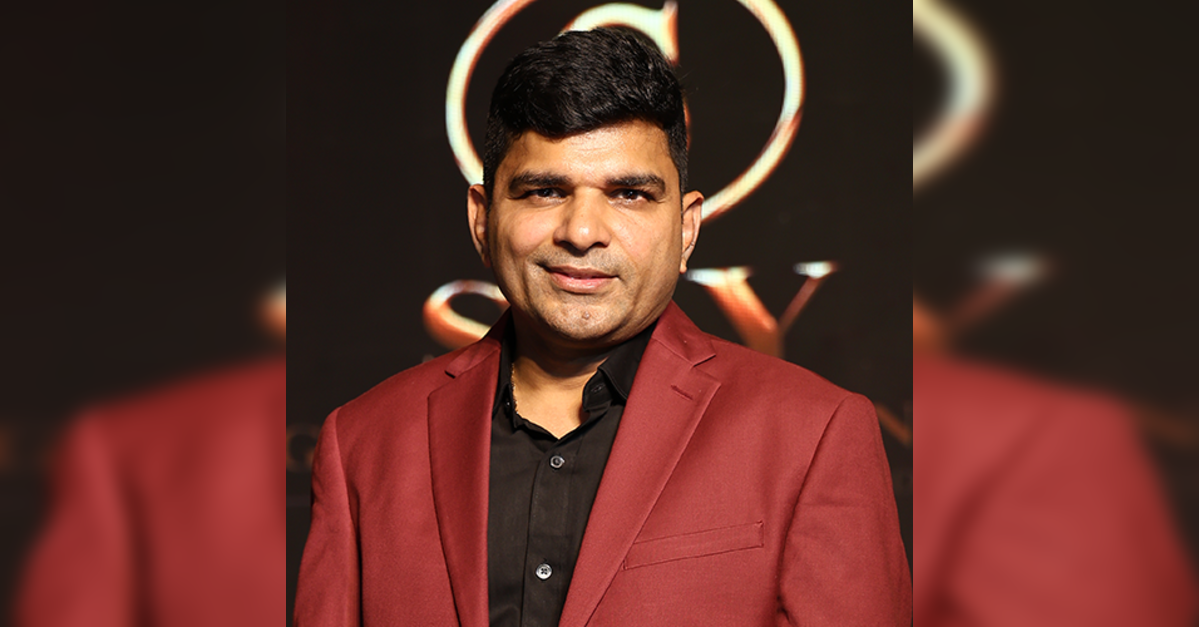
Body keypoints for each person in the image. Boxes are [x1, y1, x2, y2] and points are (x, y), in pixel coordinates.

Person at [294, 27, 910, 626]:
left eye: (629, 194)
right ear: (482, 220)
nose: (582, 232)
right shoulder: (364, 443)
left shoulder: (813, 434)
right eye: (544, 191)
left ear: (687, 229)